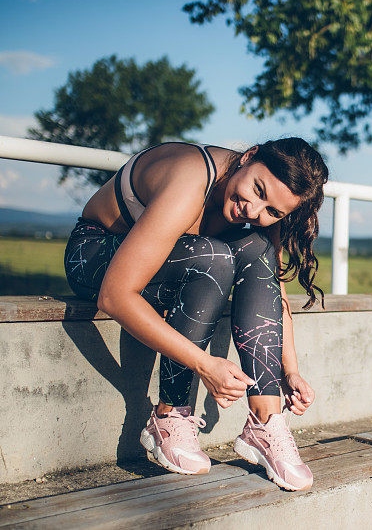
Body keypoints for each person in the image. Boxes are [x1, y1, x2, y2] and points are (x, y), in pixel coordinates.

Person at [63, 139, 328, 491]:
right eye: (257, 189)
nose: (254, 210)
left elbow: (275, 294)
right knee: (213, 257)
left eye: (272, 211)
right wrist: (206, 364)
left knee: (258, 246)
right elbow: (114, 296)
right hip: (96, 255)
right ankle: (169, 416)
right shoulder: (191, 178)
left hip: (175, 263)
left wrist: (289, 372)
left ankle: (266, 421)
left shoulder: (266, 206)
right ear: (248, 157)